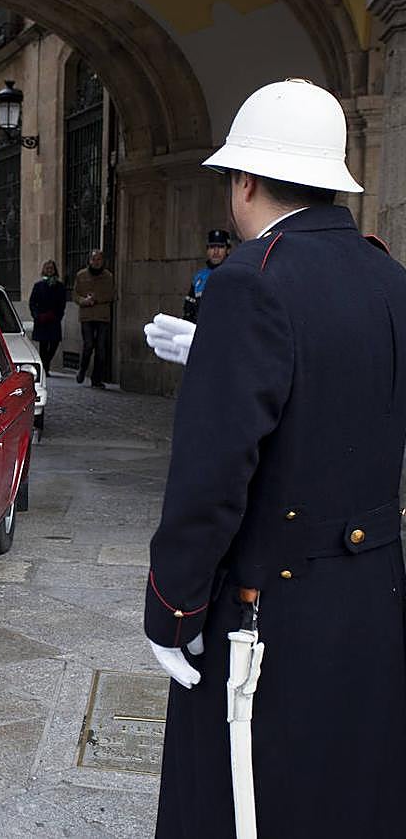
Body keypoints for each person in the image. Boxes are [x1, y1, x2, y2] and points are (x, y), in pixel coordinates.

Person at [143, 79, 406, 837]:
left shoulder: (249, 281)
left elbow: (211, 479)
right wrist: (220, 355)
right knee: (353, 794)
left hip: (270, 607)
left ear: (246, 181)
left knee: (247, 802)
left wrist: (174, 607)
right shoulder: (388, 275)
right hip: (370, 597)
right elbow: (344, 389)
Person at [72, 249, 114, 387]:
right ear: (89, 260)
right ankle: (83, 369)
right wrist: (84, 301)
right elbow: (75, 295)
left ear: (103, 261)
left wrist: (96, 299)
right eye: (93, 259)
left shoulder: (108, 276)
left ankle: (97, 379)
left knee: (101, 348)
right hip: (87, 316)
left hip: (102, 316)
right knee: (88, 345)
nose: (96, 262)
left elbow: (112, 295)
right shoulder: (81, 275)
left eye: (99, 259)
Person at [181, 229, 231, 322]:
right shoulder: (199, 277)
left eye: (220, 247)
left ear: (228, 250)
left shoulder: (233, 274)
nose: (216, 252)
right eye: (212, 247)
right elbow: (188, 310)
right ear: (207, 250)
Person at [28, 259, 66, 376]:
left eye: (51, 268)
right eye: (47, 268)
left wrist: (58, 316)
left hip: (54, 319)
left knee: (54, 343)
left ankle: (46, 363)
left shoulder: (60, 286)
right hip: (42, 319)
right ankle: (45, 368)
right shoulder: (38, 286)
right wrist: (37, 315)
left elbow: (62, 303)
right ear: (44, 270)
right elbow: (32, 302)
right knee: (43, 345)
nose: (49, 270)